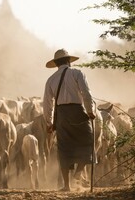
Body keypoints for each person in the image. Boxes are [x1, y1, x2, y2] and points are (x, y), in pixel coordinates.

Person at [43, 48, 96, 191]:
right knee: (88, 142)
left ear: (56, 63)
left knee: (64, 149)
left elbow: (47, 103)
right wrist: (90, 111)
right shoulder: (77, 73)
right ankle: (78, 174)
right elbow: (86, 93)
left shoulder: (51, 80)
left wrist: (49, 123)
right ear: (68, 61)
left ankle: (67, 185)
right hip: (78, 112)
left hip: (61, 116)